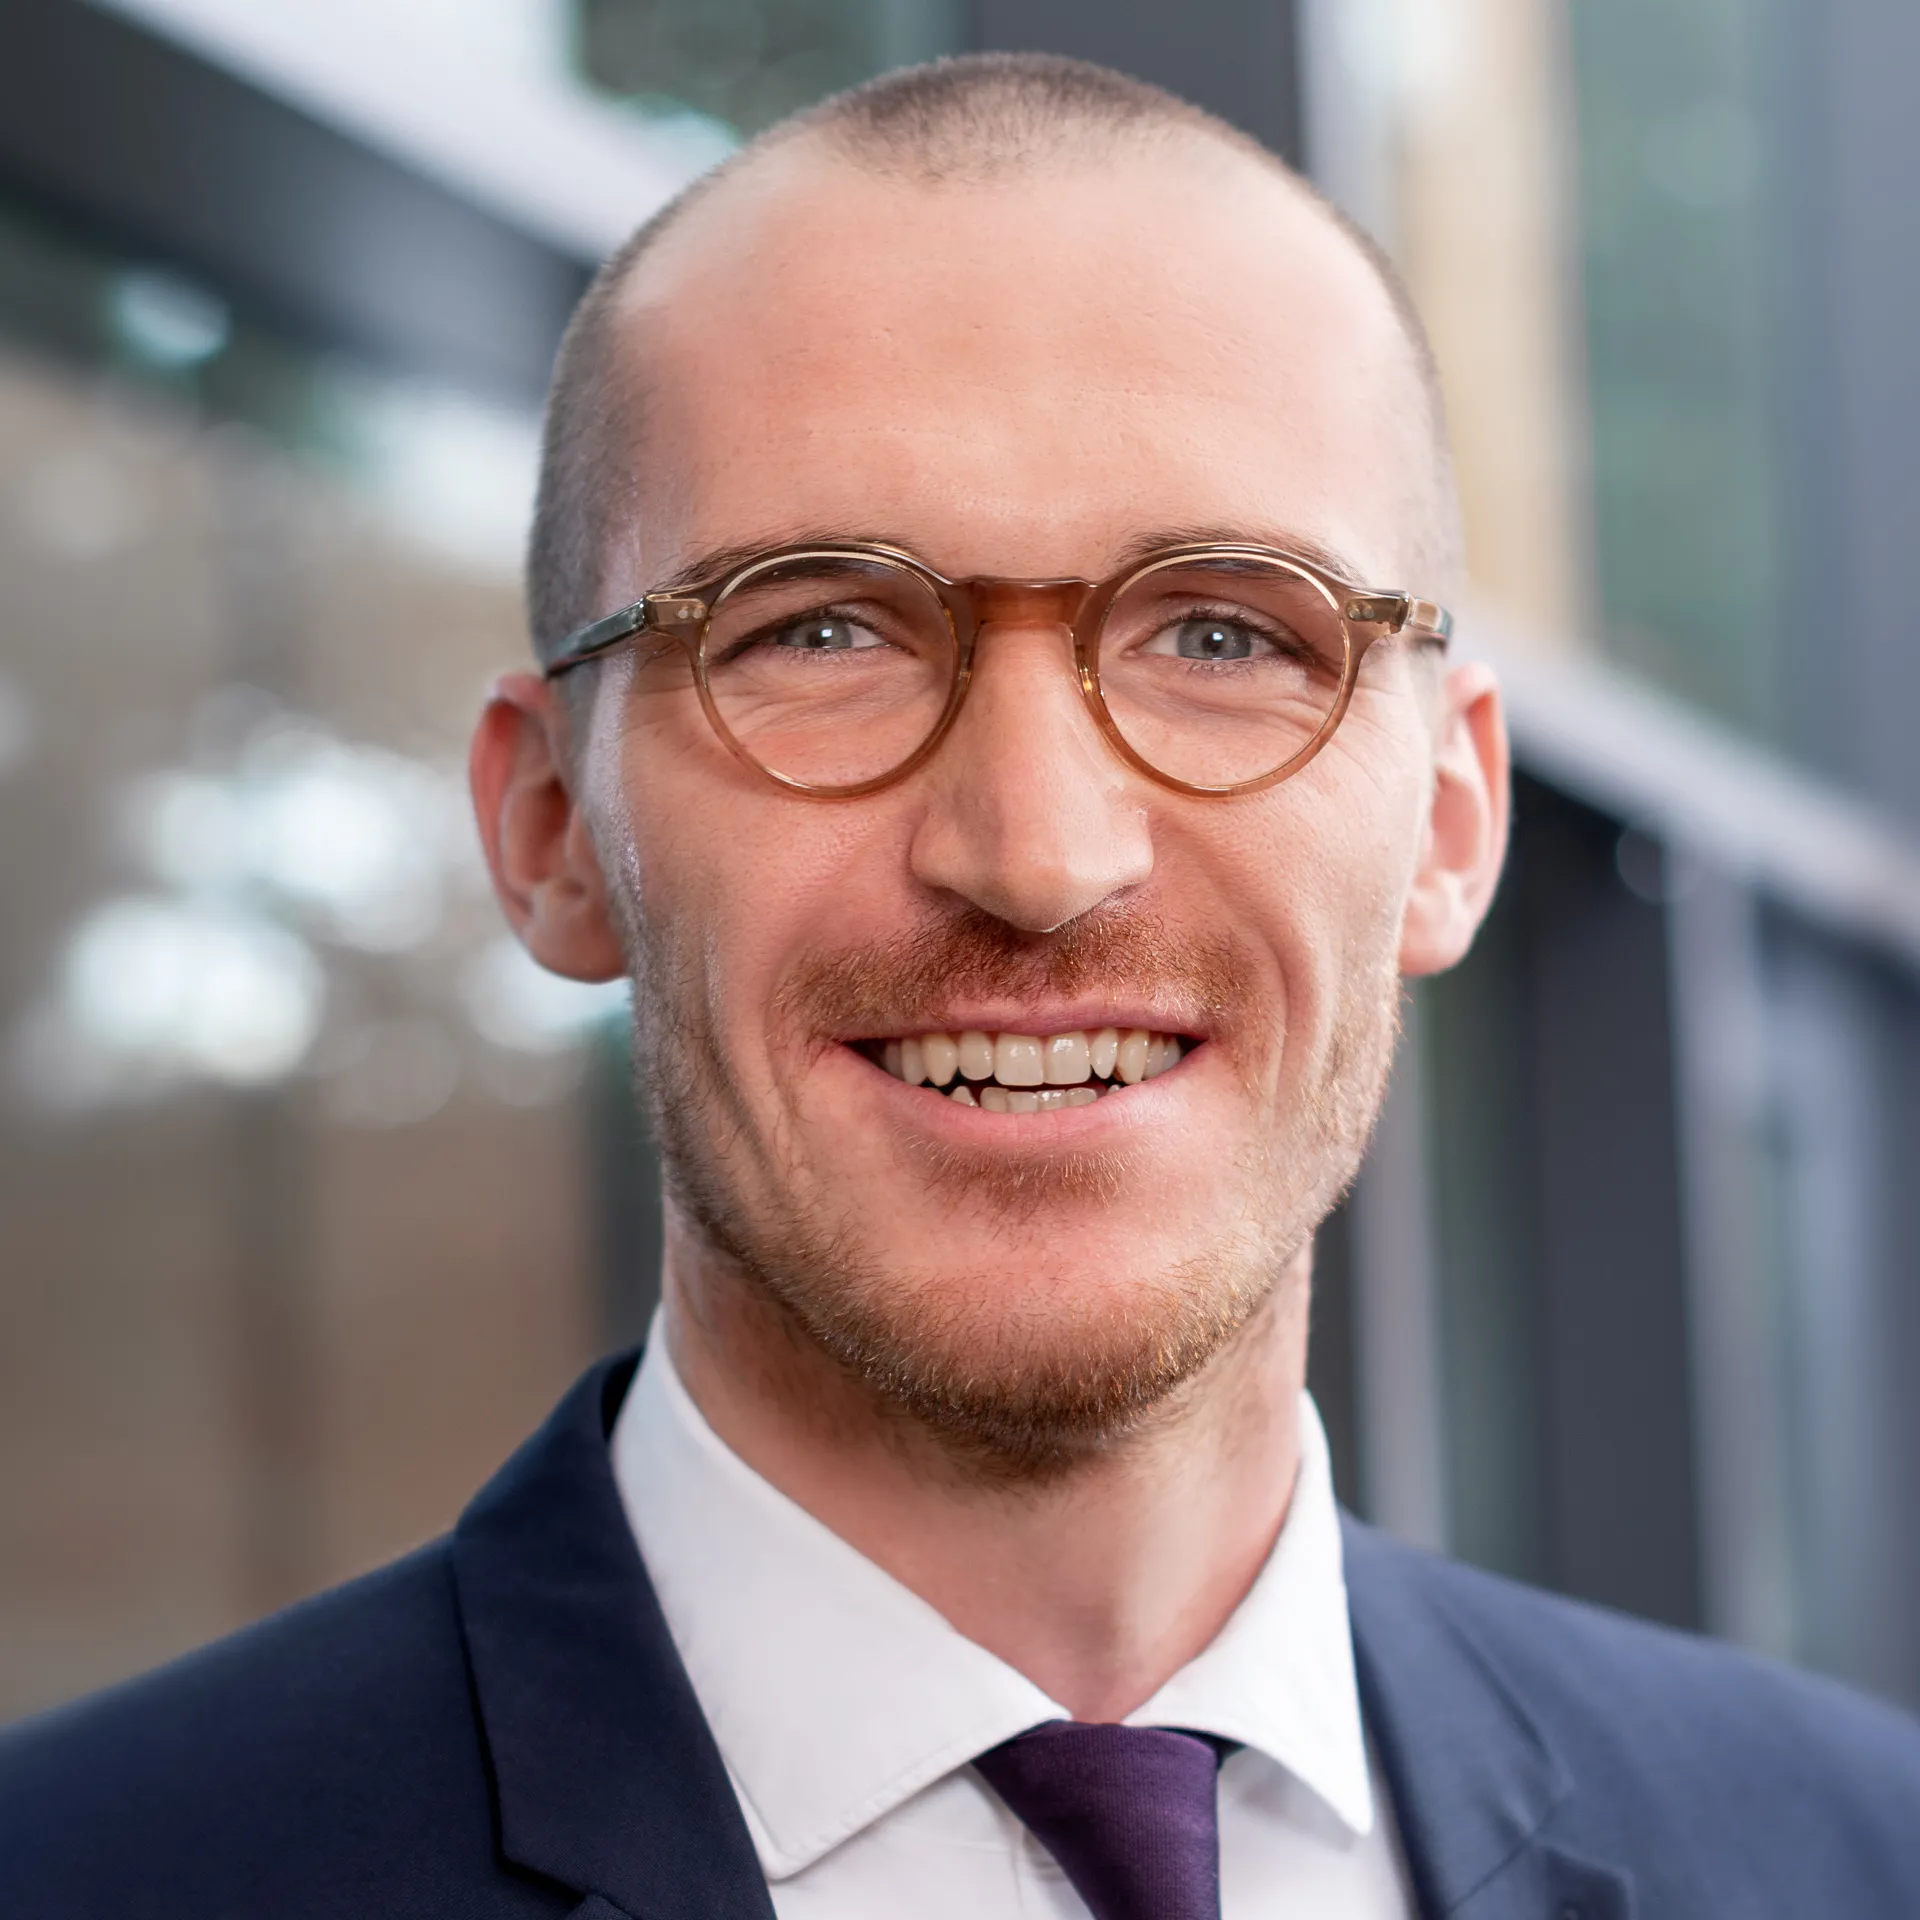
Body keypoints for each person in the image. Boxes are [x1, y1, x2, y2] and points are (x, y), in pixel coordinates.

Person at [4, 52, 1918, 1920]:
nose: (1038, 849)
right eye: (821, 629)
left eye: (1224, 632)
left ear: (1447, 817)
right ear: (548, 830)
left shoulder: (1857, 1855)